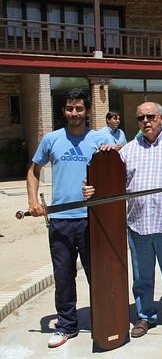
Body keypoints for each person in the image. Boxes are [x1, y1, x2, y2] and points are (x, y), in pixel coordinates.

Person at [84, 101, 162, 337]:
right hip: (138, 226)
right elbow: (111, 184)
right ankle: (145, 316)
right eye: (141, 118)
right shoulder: (127, 151)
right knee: (142, 278)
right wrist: (93, 185)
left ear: (161, 118)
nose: (146, 121)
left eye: (150, 117)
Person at [26, 89, 110, 348]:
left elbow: (114, 171)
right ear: (63, 111)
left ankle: (104, 319)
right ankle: (66, 325)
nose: (74, 113)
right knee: (63, 275)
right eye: (70, 109)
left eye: (79, 109)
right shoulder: (51, 139)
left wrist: (111, 151)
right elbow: (34, 170)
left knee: (97, 274)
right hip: (61, 220)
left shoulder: (99, 138)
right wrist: (32, 201)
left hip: (90, 219)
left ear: (87, 111)